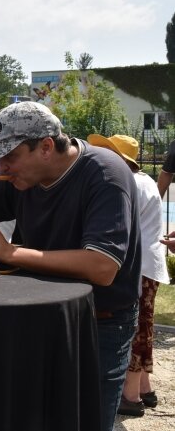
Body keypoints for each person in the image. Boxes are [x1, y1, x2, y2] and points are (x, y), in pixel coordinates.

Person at [0, 101, 141, 431]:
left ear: (46, 147)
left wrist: (10, 254)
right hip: (42, 315)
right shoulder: (24, 177)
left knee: (87, 420)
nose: (3, 167)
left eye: (10, 156)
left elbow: (102, 266)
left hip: (99, 323)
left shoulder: (105, 174)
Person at [87, 134, 171, 417]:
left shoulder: (128, 182)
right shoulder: (145, 180)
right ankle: (144, 389)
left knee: (135, 333)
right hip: (149, 264)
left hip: (138, 266)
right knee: (144, 328)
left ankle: (131, 396)